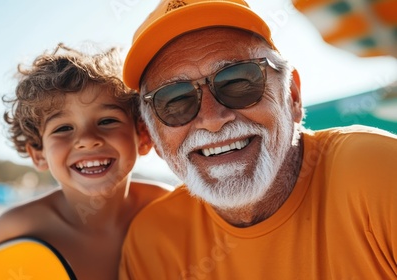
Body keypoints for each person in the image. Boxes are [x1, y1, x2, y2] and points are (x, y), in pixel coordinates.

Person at [119, 0, 397, 279]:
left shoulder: (380, 173)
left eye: (238, 81)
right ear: (152, 135)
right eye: (175, 100)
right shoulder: (153, 242)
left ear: (293, 96)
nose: (213, 119)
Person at [0, 43, 170, 280]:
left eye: (107, 121)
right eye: (63, 128)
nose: (87, 140)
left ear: (144, 137)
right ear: (39, 154)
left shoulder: (168, 206)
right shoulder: (27, 222)